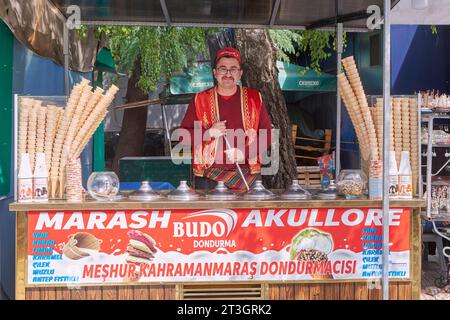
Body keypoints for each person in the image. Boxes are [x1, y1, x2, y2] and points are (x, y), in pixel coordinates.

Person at [180, 47, 273, 190]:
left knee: (247, 213)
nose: (228, 74)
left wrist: (244, 153)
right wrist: (208, 133)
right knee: (212, 214)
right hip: (209, 177)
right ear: (215, 73)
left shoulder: (254, 98)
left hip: (247, 175)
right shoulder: (200, 100)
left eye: (233, 69)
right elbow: (183, 137)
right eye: (223, 69)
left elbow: (266, 135)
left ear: (240, 73)